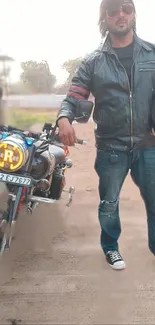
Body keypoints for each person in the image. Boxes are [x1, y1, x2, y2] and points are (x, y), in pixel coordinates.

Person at [56, 0, 155, 270]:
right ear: (105, 18)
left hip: (149, 145)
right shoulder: (93, 62)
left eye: (126, 8)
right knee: (109, 202)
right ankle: (110, 248)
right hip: (112, 147)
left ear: (134, 13)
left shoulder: (151, 54)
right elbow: (74, 95)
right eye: (113, 10)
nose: (120, 14)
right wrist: (64, 118)